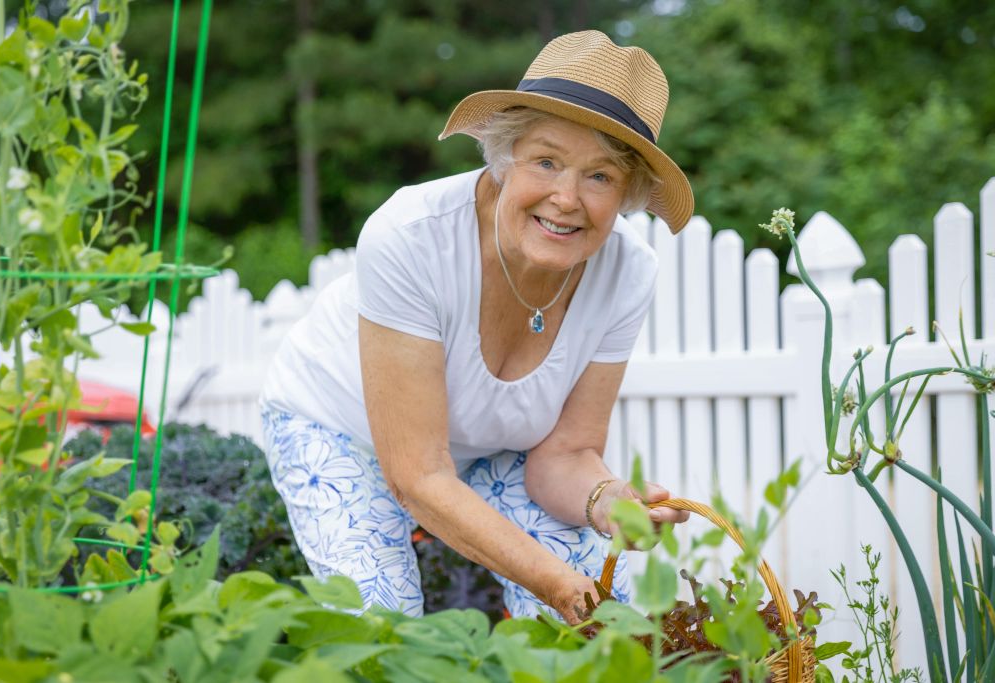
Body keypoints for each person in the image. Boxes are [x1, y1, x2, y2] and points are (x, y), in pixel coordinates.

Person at [259, 30, 693, 623]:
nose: (566, 198)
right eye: (547, 161)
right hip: (337, 425)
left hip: (483, 448)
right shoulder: (411, 236)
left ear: (629, 194)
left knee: (600, 617)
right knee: (384, 626)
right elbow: (418, 475)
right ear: (506, 153)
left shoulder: (627, 272)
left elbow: (566, 453)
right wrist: (554, 583)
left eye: (600, 177)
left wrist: (607, 500)